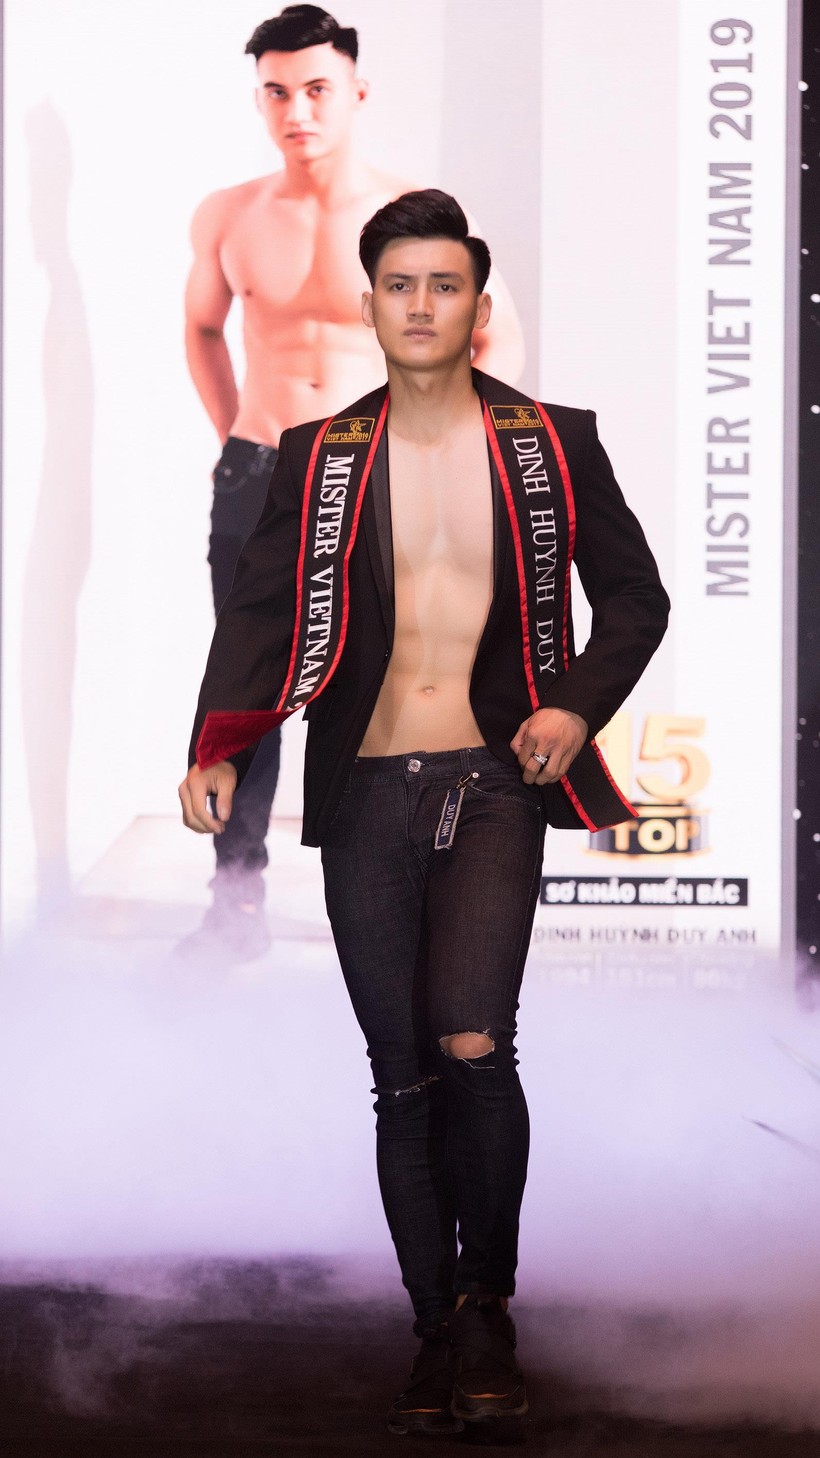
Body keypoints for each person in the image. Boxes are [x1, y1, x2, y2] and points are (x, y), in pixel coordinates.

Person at [179, 190, 670, 1437]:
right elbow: (256, 615)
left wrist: (574, 709)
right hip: (363, 789)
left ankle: (487, 1311)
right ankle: (432, 1328)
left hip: (493, 781)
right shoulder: (319, 456)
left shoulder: (551, 442)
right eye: (399, 284)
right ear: (368, 305)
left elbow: (636, 598)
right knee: (400, 1078)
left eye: (443, 285)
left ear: (476, 307)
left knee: (471, 1042)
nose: (419, 304)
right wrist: (217, 746)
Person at [183, 6, 524, 961]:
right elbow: (203, 328)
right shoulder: (229, 214)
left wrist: (448, 453)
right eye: (277, 92)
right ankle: (235, 904)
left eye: (317, 89)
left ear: (357, 93)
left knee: (390, 681)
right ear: (259, 99)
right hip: (260, 470)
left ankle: (401, 894)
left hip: (378, 471)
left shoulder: (414, 211)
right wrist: (235, 434)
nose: (296, 110)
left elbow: (498, 337)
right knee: (246, 683)